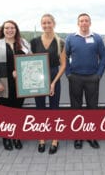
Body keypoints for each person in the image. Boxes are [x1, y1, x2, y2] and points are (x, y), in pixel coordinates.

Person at [65, 13, 105, 149]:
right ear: (78, 23)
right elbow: (64, 56)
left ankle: (91, 136)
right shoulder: (71, 38)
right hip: (75, 77)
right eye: (81, 21)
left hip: (92, 78)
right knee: (76, 108)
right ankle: (78, 137)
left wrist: (99, 74)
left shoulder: (97, 38)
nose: (84, 23)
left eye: (86, 21)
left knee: (92, 108)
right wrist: (68, 74)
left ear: (90, 23)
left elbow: (104, 56)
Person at [0, 20, 30, 151]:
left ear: (16, 29)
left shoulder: (23, 43)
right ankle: (6, 138)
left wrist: (22, 72)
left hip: (20, 84)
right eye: (7, 28)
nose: (9, 30)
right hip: (3, 84)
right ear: (3, 30)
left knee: (17, 111)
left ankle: (16, 137)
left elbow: (30, 61)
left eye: (12, 28)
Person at [30, 14, 66, 155]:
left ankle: (55, 139)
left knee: (54, 110)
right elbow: (30, 63)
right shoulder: (34, 42)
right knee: (40, 110)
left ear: (54, 24)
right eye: (44, 23)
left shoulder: (60, 42)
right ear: (41, 25)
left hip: (54, 78)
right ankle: (42, 138)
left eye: (49, 23)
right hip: (38, 79)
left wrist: (53, 83)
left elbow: (63, 65)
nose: (46, 25)